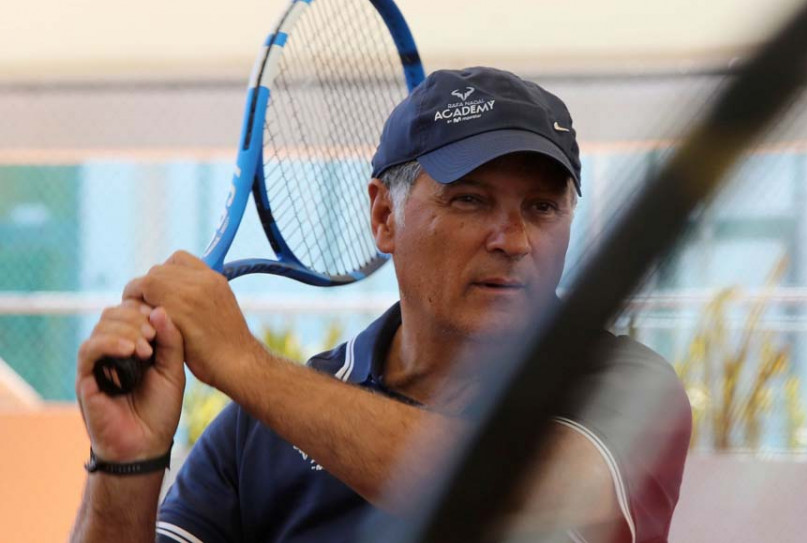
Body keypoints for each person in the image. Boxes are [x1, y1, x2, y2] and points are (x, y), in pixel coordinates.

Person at [71, 67, 691, 543]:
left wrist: (244, 363)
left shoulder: (630, 389)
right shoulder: (258, 430)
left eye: (543, 207)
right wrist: (126, 463)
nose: (513, 240)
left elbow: (516, 489)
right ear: (384, 215)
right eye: (470, 201)